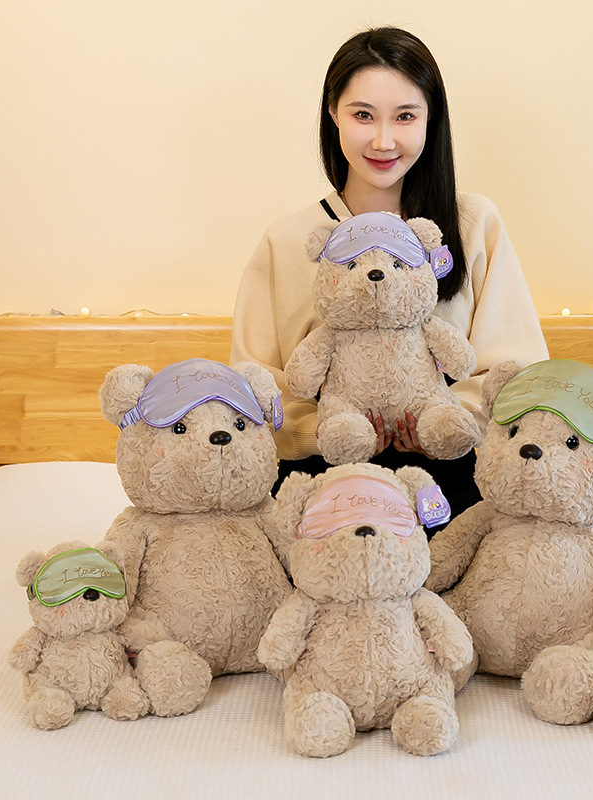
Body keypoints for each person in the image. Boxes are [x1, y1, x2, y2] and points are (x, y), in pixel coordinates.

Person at [231, 26, 547, 527]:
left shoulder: (472, 223)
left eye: (405, 116)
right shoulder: (289, 239)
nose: (383, 140)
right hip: (324, 479)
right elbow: (254, 385)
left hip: (453, 473)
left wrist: (439, 421)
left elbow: (518, 369)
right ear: (332, 113)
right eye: (363, 115)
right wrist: (332, 430)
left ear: (431, 119)